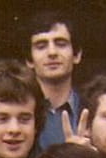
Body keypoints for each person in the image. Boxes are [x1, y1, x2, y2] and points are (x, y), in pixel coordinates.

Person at [24, 10, 83, 150]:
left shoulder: (93, 109)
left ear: (77, 55)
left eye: (61, 44)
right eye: (41, 46)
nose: (52, 52)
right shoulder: (17, 112)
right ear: (29, 60)